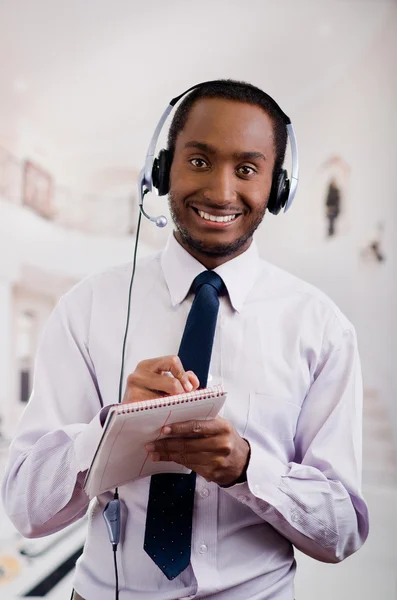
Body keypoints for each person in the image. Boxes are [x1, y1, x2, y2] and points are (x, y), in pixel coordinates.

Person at [2, 80, 369, 600]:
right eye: (199, 161)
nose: (221, 192)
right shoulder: (85, 309)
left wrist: (246, 467)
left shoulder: (321, 328)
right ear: (163, 170)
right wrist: (107, 430)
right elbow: (26, 509)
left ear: (277, 188)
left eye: (246, 169)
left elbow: (343, 531)